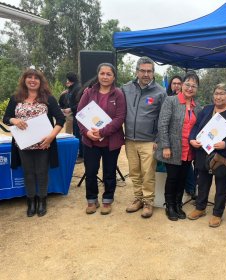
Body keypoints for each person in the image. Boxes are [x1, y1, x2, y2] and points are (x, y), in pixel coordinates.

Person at [3, 67, 65, 217]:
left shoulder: (49, 98)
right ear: (24, 80)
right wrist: (14, 120)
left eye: (36, 78)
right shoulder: (15, 98)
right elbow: (6, 118)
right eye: (29, 77)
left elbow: (61, 119)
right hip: (23, 144)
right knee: (28, 173)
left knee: (42, 172)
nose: (32, 80)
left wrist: (51, 137)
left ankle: (42, 200)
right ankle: (31, 201)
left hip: (44, 144)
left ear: (40, 81)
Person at [187, 83, 226, 227]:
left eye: (222, 93)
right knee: (203, 182)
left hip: (222, 155)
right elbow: (196, 127)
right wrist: (192, 139)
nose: (218, 96)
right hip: (203, 152)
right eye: (216, 93)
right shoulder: (206, 109)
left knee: (221, 185)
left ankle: (217, 213)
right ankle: (200, 208)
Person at [77, 63, 126, 215]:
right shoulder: (88, 92)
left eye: (108, 74)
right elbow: (80, 114)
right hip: (90, 141)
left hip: (111, 141)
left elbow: (120, 118)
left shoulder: (118, 94)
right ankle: (91, 200)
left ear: (114, 77)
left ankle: (107, 200)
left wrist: (103, 132)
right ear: (98, 75)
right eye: (102, 73)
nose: (105, 77)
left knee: (109, 172)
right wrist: (86, 133)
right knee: (90, 171)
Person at [122, 56, 167, 218]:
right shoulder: (126, 88)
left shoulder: (160, 92)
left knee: (148, 173)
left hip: (149, 141)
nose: (146, 74)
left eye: (149, 71)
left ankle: (148, 202)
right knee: (134, 172)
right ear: (137, 71)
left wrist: (158, 140)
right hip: (130, 140)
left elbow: (163, 119)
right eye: (143, 70)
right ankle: (138, 198)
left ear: (153, 73)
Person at [155, 72, 202, 221]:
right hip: (173, 149)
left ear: (197, 89)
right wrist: (166, 146)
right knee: (173, 178)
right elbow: (163, 124)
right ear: (182, 85)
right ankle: (169, 205)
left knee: (182, 178)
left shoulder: (197, 107)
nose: (190, 88)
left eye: (193, 86)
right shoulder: (171, 101)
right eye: (187, 84)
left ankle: (177, 204)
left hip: (189, 151)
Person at [66, 72, 83, 163]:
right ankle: (79, 153)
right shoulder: (72, 88)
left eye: (67, 79)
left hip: (79, 115)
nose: (66, 81)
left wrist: (70, 109)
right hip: (74, 114)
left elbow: (80, 103)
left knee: (79, 135)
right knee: (76, 134)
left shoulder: (78, 88)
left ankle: (82, 155)